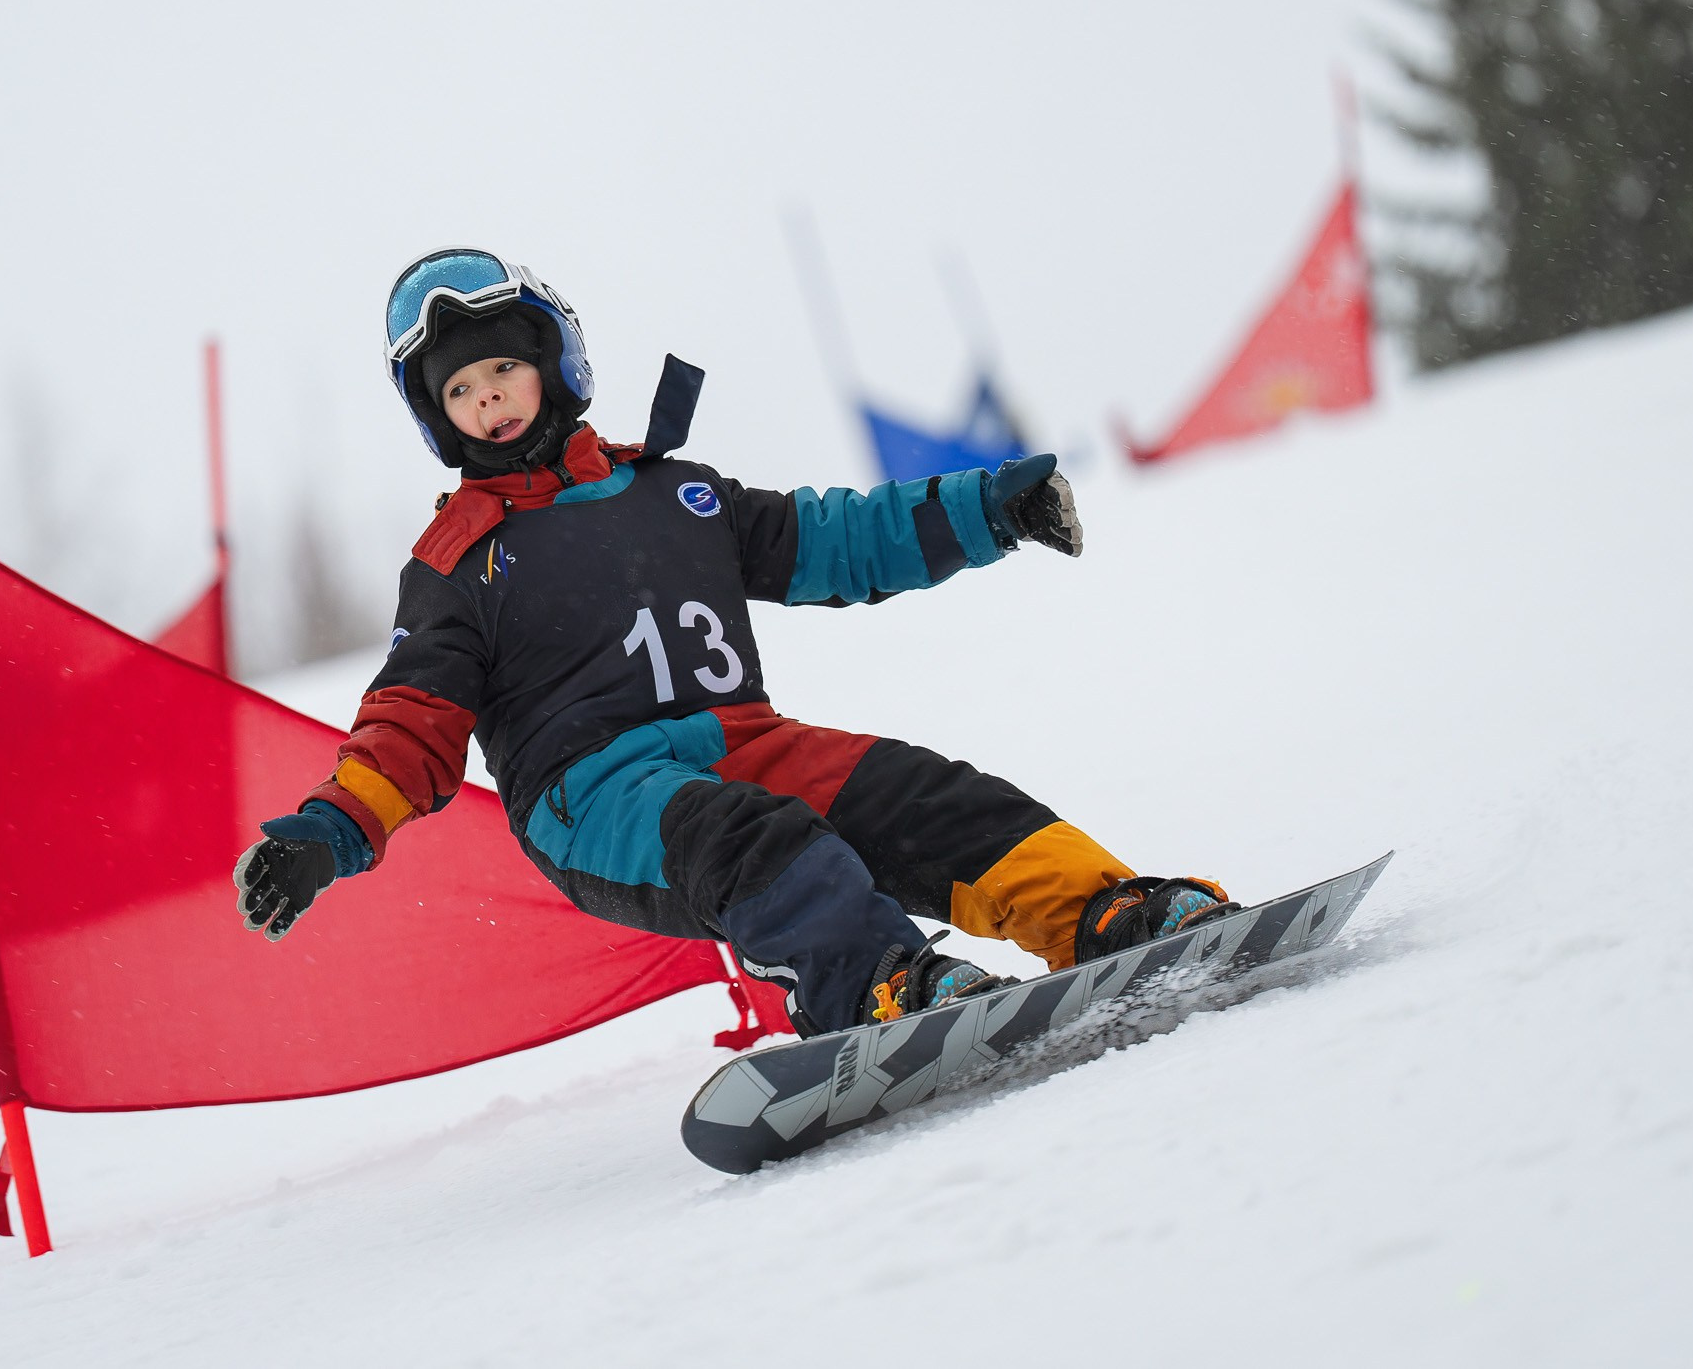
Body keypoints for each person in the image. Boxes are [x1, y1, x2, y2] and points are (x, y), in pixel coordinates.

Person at [234, 249, 1232, 1035]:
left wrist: (987, 509)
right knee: (758, 842)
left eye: (503, 368)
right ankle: (880, 985)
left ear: (554, 362)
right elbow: (413, 721)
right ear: (438, 421)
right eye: (460, 391)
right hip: (594, 800)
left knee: (917, 792)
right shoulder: (461, 561)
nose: (489, 397)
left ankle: (1106, 911)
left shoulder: (678, 496)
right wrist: (332, 831)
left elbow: (835, 540)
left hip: (746, 743)